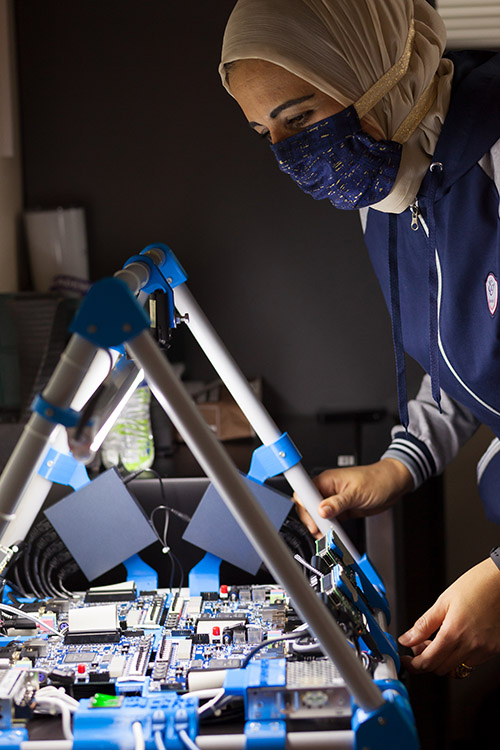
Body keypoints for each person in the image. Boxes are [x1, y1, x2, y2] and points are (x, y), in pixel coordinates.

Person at [218, 0, 500, 679]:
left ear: (380, 64)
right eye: (266, 134)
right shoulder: (386, 197)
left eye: (302, 118)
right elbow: (471, 359)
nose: (292, 156)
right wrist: (396, 466)